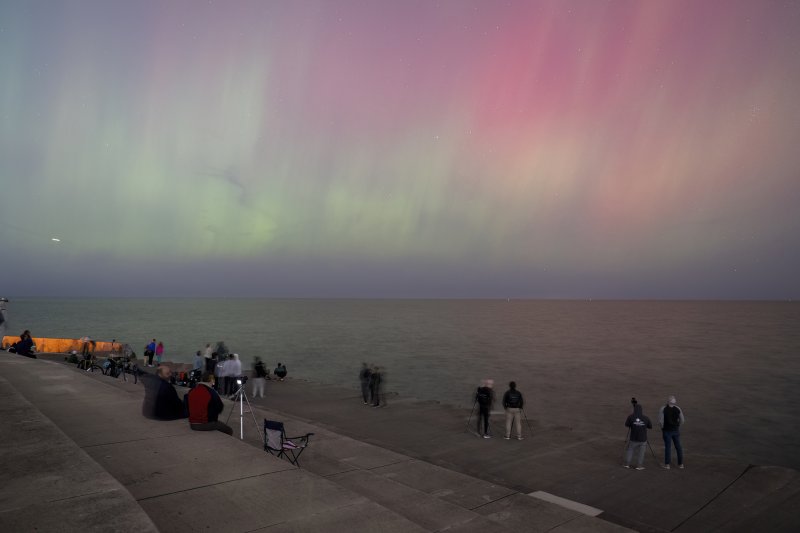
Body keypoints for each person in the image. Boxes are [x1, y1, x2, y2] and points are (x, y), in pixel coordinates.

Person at [624, 400, 653, 470]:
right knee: (641, 453)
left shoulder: (630, 417)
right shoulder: (646, 418)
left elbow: (626, 424)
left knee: (630, 450)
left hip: (633, 438)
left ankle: (627, 464)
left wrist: (633, 424)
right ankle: (639, 466)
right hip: (643, 439)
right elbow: (650, 426)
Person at [659, 395, 685, 469]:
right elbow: (682, 420)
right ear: (674, 402)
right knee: (678, 447)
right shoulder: (678, 409)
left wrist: (662, 428)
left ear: (668, 401)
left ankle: (667, 464)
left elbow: (661, 421)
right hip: (675, 430)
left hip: (666, 431)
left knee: (668, 447)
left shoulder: (663, 409)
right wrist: (677, 426)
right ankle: (681, 464)